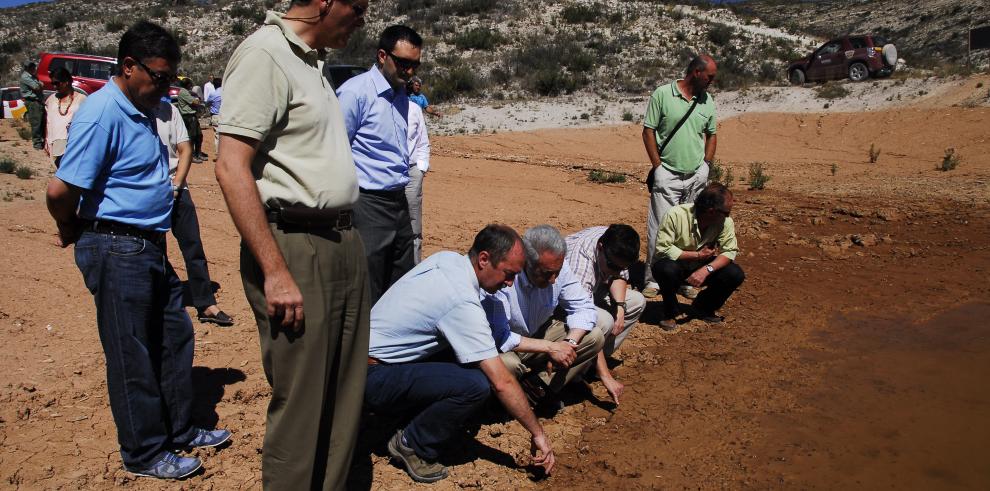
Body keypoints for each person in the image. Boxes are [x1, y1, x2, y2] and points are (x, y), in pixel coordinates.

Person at [45, 21, 230, 480]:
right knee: (133, 354)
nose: (166, 86)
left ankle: (178, 429)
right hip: (114, 245)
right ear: (129, 67)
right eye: (160, 77)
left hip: (146, 244)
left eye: (170, 78)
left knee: (173, 338)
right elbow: (59, 190)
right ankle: (145, 451)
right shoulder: (104, 112)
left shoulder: (142, 107)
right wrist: (72, 227)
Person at [213, 0, 368, 488]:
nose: (364, 18)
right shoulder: (265, 54)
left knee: (344, 394)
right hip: (295, 244)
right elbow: (231, 165)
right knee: (302, 402)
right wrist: (275, 270)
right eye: (359, 6)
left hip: (341, 239)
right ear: (325, 2)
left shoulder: (313, 62)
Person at [365, 224, 556, 483]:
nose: (510, 284)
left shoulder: (448, 260)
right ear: (484, 259)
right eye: (508, 274)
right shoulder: (461, 300)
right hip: (372, 377)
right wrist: (537, 433)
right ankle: (412, 444)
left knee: (463, 356)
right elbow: (502, 381)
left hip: (362, 362)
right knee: (477, 385)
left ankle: (406, 416)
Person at [337, 25, 422, 303]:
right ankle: (364, 346)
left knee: (401, 283)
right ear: (382, 56)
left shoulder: (401, 95)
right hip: (368, 204)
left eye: (415, 65)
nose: (409, 71)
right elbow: (336, 150)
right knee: (369, 285)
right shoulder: (355, 93)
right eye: (403, 63)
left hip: (398, 201)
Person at [482, 225, 604, 402]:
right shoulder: (505, 278)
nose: (554, 279)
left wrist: (568, 343)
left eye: (557, 272)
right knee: (509, 365)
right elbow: (501, 337)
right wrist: (551, 347)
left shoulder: (556, 267)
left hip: (535, 335)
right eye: (547, 273)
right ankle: (505, 401)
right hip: (502, 345)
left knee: (594, 336)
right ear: (526, 262)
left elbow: (583, 306)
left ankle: (536, 391)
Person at [641, 54, 718, 300]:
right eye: (710, 76)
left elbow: (712, 134)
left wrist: (706, 165)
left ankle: (683, 278)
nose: (712, 82)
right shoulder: (663, 94)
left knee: (690, 229)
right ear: (696, 72)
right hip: (668, 174)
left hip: (695, 175)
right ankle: (653, 279)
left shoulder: (708, 102)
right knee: (661, 227)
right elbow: (648, 131)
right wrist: (658, 167)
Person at [152, 96, 234, 327]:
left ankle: (205, 302)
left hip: (176, 187)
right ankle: (162, 305)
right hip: (148, 193)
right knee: (155, 250)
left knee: (193, 245)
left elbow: (185, 149)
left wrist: (177, 185)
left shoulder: (169, 111)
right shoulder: (132, 110)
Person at [564, 224, 645, 405]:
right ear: (600, 247)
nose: (615, 271)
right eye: (612, 265)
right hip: (564, 308)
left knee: (636, 301)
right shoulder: (580, 266)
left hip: (594, 290)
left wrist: (620, 308)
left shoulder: (615, 242)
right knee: (604, 321)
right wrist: (606, 376)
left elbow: (619, 276)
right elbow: (583, 318)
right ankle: (574, 373)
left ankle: (588, 367)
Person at [651, 183, 744, 330]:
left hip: (701, 267)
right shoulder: (676, 214)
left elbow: (729, 251)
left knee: (735, 273)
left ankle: (704, 307)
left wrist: (706, 270)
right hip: (677, 266)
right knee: (665, 269)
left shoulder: (725, 222)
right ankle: (670, 312)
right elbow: (663, 248)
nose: (728, 216)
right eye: (726, 212)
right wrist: (698, 255)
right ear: (712, 211)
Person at [404, 83, 430, 264]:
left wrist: (421, 168)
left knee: (414, 226)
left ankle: (413, 269)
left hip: (412, 171)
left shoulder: (414, 108)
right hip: (384, 175)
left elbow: (422, 140)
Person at [44, 67, 87, 168]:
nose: (54, 86)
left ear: (66, 82)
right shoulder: (51, 100)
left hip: (73, 143)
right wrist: (46, 140)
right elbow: (48, 121)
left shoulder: (82, 99)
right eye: (53, 83)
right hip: (55, 142)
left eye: (57, 83)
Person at [174, 77, 207, 162]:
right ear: (187, 84)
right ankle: (191, 155)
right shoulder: (183, 92)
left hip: (192, 116)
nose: (191, 86)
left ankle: (198, 153)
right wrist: (197, 100)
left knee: (199, 135)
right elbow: (194, 102)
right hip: (188, 116)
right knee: (192, 136)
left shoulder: (185, 92)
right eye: (190, 84)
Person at [20, 61, 45, 150]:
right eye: (32, 67)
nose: (34, 68)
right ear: (27, 68)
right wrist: (39, 84)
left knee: (41, 121)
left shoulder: (33, 77)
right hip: (32, 102)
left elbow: (41, 84)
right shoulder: (25, 77)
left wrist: (40, 84)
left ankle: (41, 141)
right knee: (36, 123)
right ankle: (37, 144)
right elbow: (37, 87)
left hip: (37, 101)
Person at [205, 77, 222, 159]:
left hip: (216, 116)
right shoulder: (227, 93)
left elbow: (207, 103)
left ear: (214, 85)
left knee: (217, 136)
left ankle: (218, 155)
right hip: (226, 115)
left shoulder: (213, 94)